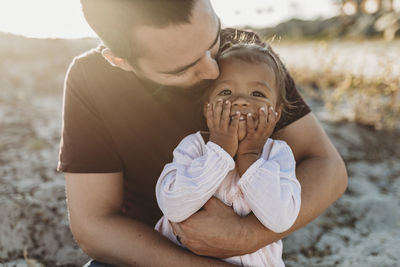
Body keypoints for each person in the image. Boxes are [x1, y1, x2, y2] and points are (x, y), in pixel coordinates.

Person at [58, 0, 348, 266]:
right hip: (150, 254)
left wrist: (245, 237)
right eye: (182, 68)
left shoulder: (246, 56)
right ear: (120, 61)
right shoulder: (92, 80)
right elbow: (93, 225)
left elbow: (328, 167)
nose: (213, 70)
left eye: (213, 41)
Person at [155, 43, 301, 267]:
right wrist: (219, 150)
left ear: (276, 113)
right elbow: (173, 207)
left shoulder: (278, 155)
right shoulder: (194, 146)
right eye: (226, 92)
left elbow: (281, 219)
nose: (241, 100)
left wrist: (250, 155)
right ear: (207, 108)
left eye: (257, 93)